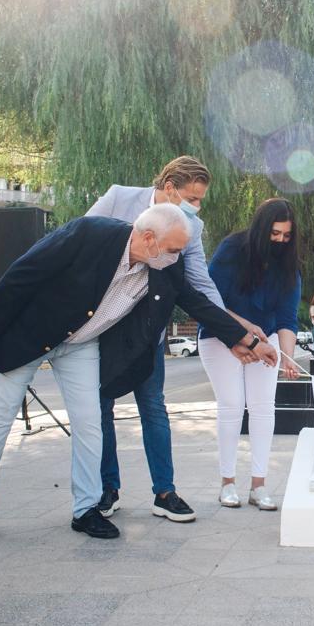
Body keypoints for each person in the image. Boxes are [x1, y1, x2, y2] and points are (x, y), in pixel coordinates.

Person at [0, 204, 274, 545]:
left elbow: (199, 304)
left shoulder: (164, 267)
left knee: (90, 424)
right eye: (174, 249)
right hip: (31, 335)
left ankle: (86, 508)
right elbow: (23, 273)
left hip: (81, 346)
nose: (177, 257)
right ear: (149, 239)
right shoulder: (88, 233)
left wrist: (247, 340)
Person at [86, 156, 244, 524]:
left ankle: (165, 492)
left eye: (201, 200)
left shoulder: (192, 226)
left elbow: (199, 283)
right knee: (100, 411)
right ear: (169, 186)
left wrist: (225, 331)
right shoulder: (116, 199)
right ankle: (107, 490)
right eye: (192, 197)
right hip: (102, 327)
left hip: (148, 332)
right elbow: (83, 245)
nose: (196, 206)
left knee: (154, 409)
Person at [202, 198, 301, 511]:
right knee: (231, 405)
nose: (280, 241)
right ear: (261, 228)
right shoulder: (232, 249)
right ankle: (227, 483)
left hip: (265, 339)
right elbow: (210, 300)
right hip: (221, 334)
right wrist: (245, 330)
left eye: (286, 236)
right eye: (274, 233)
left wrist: (287, 357)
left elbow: (287, 318)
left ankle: (259, 485)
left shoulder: (289, 267)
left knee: (262, 407)